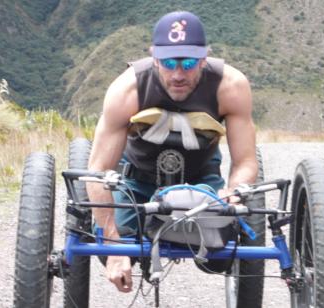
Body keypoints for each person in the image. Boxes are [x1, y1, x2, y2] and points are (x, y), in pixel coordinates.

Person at [86, 11, 257, 293]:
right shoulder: (127, 90)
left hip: (201, 178)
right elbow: (97, 172)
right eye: (168, 63)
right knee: (115, 246)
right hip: (136, 179)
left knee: (220, 253)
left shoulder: (231, 87)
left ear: (204, 58)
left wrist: (234, 191)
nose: (178, 74)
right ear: (154, 58)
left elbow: (246, 161)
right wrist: (115, 247)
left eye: (189, 63)